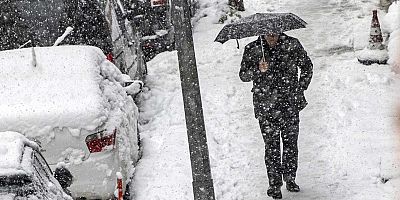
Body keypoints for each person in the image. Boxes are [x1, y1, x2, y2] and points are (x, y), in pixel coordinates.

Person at [239, 33, 313, 199]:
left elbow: (307, 66)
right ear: (262, 33)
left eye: (275, 34)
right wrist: (257, 69)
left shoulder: (292, 45)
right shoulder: (253, 49)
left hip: (290, 105)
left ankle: (290, 178)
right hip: (265, 106)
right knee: (271, 147)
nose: (272, 37)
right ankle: (274, 184)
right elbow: (243, 75)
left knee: (290, 144)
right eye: (268, 35)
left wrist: (300, 88)